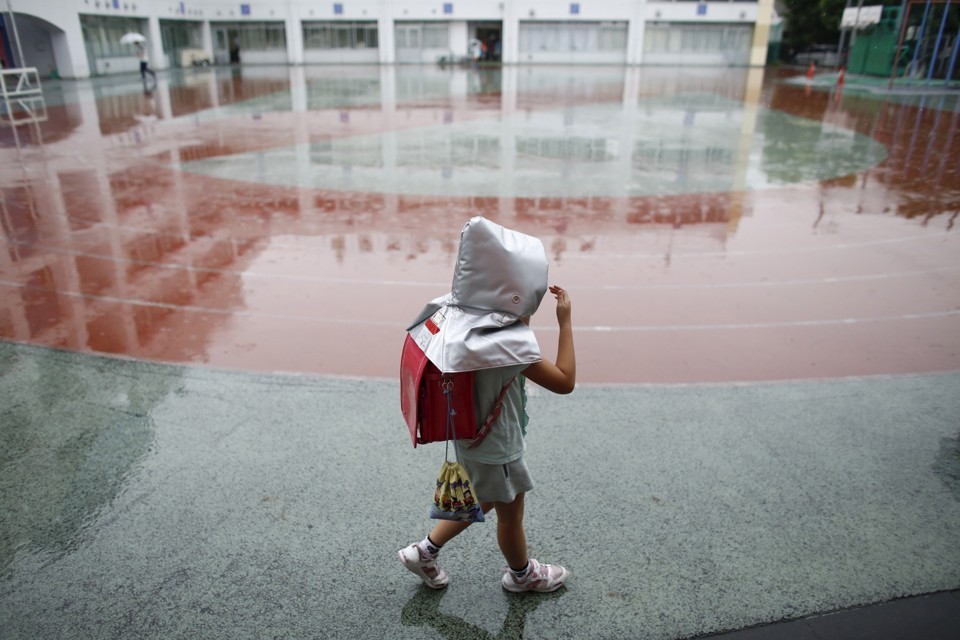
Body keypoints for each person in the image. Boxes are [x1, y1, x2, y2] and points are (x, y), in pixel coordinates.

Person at [399, 219, 576, 593]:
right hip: (499, 448)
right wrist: (564, 322)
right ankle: (523, 575)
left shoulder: (450, 318)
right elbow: (564, 382)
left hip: (467, 436)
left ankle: (424, 551)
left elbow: (514, 323)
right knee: (510, 516)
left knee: (485, 499)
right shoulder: (508, 348)